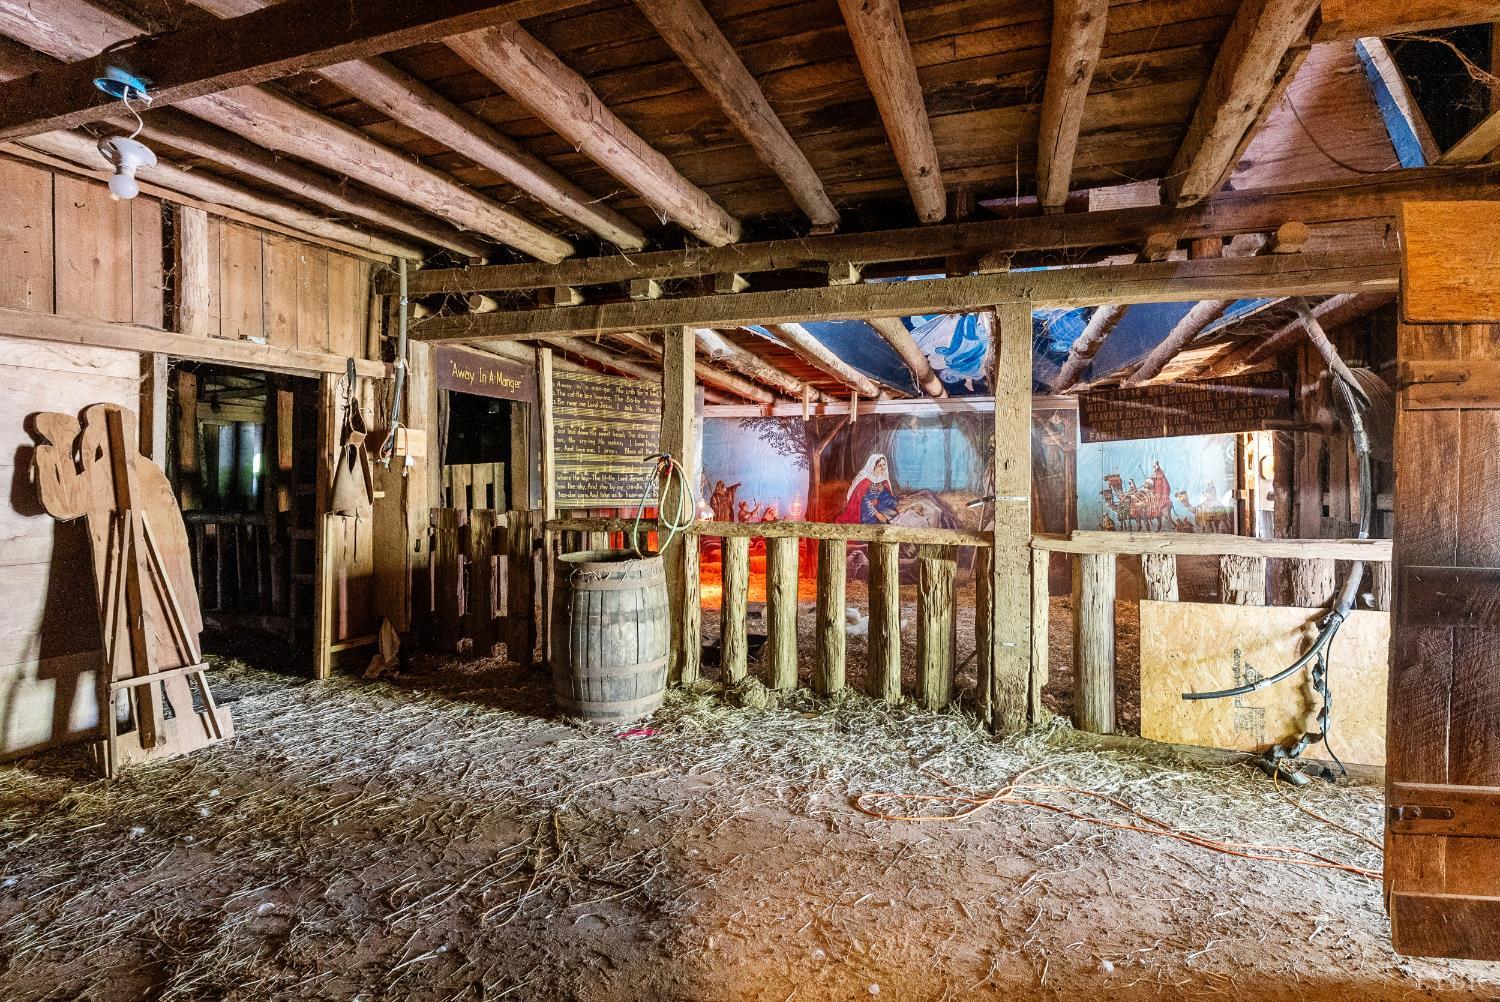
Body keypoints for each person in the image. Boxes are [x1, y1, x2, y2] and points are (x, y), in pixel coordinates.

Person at [835, 453, 899, 524]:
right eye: (879, 465)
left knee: (895, 517)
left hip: (879, 507)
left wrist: (895, 504)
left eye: (884, 465)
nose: (883, 468)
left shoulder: (883, 480)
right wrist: (876, 514)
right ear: (873, 466)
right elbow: (862, 500)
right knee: (878, 523)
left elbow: (886, 496)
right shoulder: (864, 480)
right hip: (865, 511)